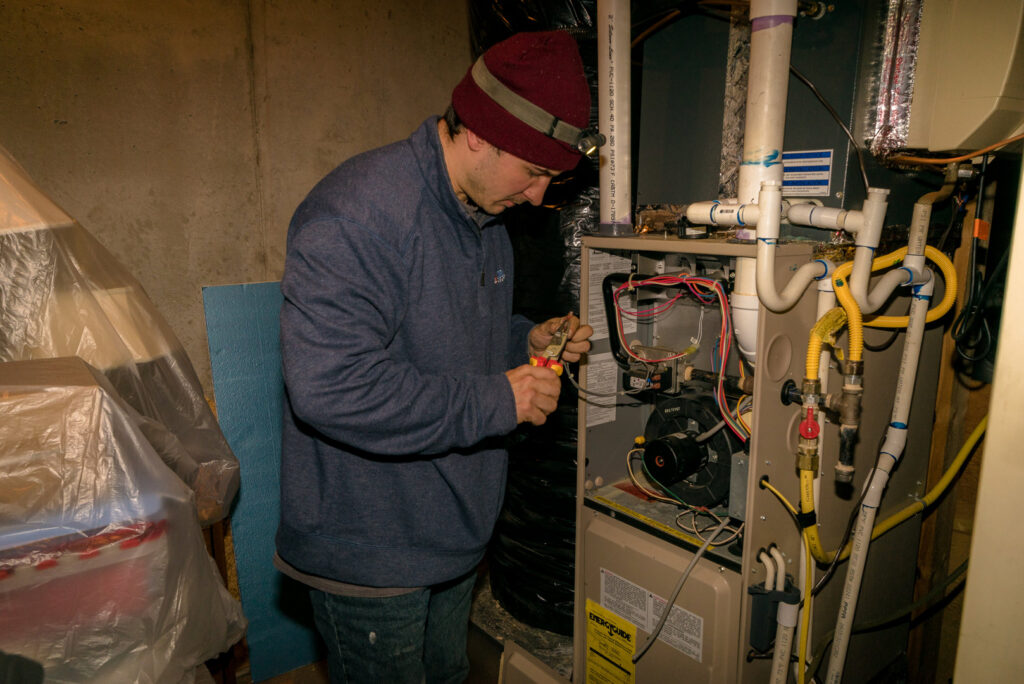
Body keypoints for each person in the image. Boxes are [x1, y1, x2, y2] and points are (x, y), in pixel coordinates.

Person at [276, 30, 596, 683]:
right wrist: (500, 398)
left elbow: (456, 337)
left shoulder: (485, 216)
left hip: (453, 535)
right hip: (373, 550)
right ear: (478, 133)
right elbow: (332, 387)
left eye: (552, 178)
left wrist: (524, 341)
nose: (539, 197)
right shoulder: (358, 216)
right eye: (533, 171)